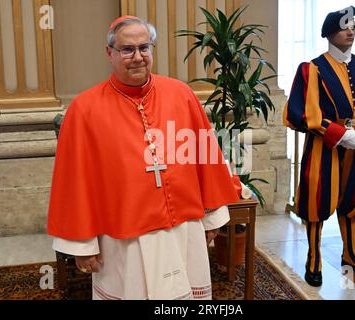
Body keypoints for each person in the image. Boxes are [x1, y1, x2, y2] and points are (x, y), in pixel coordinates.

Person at [47, 15, 239, 300]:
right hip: (123, 235)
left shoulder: (181, 94)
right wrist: (83, 245)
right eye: (127, 49)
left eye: (144, 48)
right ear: (109, 53)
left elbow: (206, 157)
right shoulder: (84, 109)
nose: (137, 57)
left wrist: (211, 218)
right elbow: (74, 182)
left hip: (183, 228)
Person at [283, 6, 355, 287]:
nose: (351, 31)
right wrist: (339, 134)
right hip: (324, 147)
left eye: (354, 26)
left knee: (352, 200)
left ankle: (352, 253)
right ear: (329, 31)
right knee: (317, 200)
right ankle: (314, 257)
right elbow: (301, 112)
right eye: (345, 26)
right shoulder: (312, 69)